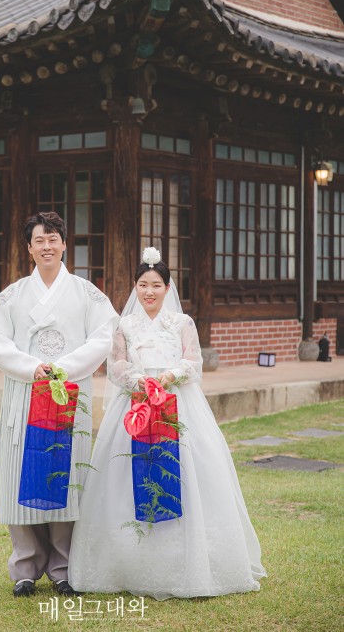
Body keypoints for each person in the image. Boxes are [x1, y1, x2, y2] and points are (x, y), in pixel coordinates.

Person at [69, 247, 266, 599]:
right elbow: (115, 367)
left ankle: (192, 564)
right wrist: (139, 381)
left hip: (177, 401)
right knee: (128, 473)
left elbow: (194, 362)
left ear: (168, 288)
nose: (149, 292)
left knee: (186, 472)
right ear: (135, 287)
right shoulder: (124, 325)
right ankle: (126, 563)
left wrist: (170, 376)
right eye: (143, 285)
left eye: (156, 285)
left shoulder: (182, 323)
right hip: (136, 402)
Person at [0, 212, 118, 598]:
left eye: (53, 239)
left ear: (64, 244)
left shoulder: (88, 294)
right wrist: (32, 368)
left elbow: (102, 338)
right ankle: (25, 568)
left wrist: (63, 368)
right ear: (29, 248)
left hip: (67, 394)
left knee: (64, 475)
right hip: (25, 394)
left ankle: (62, 568)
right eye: (39, 240)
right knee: (19, 474)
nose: (46, 247)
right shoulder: (12, 296)